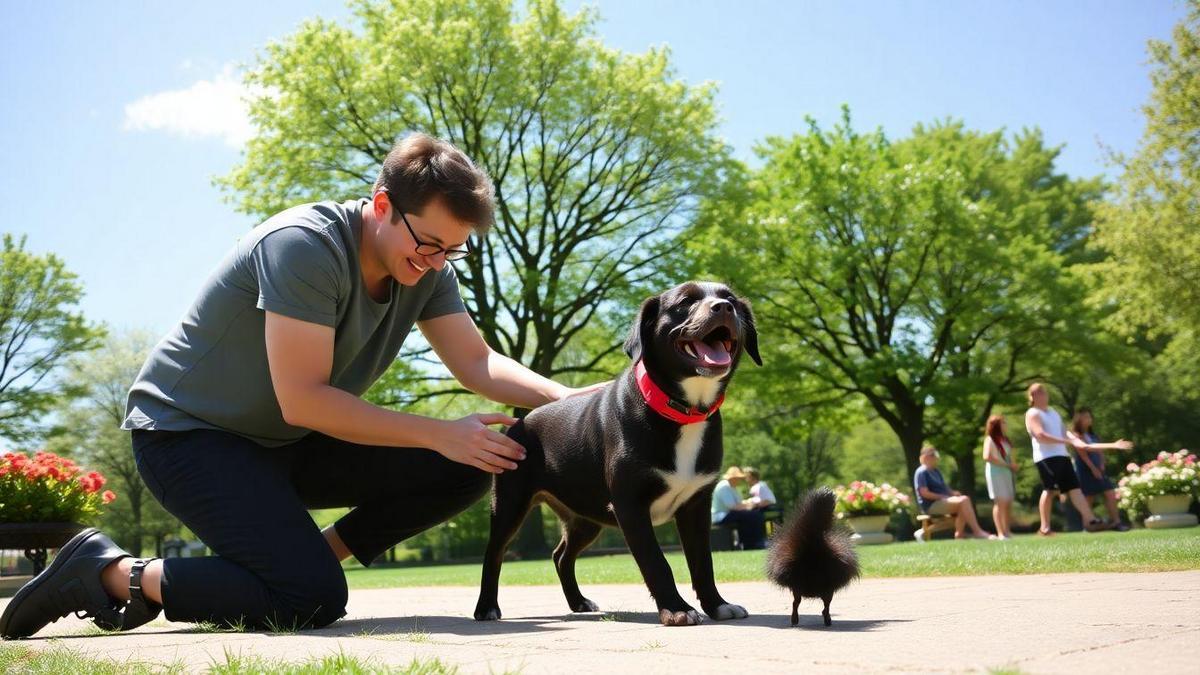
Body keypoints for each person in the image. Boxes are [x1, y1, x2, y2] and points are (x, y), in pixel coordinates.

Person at [0, 133, 607, 639]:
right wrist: (439, 432)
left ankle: (305, 559)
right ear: (381, 205)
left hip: (287, 442)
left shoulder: (425, 268)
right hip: (189, 438)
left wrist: (578, 403)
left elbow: (477, 365)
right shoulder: (303, 247)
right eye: (428, 244)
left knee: (477, 461)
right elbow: (306, 398)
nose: (436, 262)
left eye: (452, 251)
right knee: (308, 599)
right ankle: (113, 573)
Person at [1024, 383, 1124, 536]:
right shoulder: (1033, 413)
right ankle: (1044, 527)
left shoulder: (1052, 412)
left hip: (1062, 456)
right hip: (1046, 457)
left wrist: (1075, 441)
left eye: (1043, 392)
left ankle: (1091, 520)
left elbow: (1065, 432)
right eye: (1038, 393)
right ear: (1032, 397)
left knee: (1075, 489)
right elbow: (1040, 435)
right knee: (1051, 490)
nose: (1042, 395)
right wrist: (1068, 442)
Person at [1068, 407, 1134, 532]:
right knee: (1088, 497)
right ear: (1079, 420)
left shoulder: (1093, 435)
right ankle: (1088, 525)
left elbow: (1099, 452)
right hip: (1085, 469)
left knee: (1109, 493)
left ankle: (1116, 522)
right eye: (1085, 417)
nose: (1088, 420)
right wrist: (1093, 468)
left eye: (1089, 417)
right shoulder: (1076, 435)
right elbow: (1083, 452)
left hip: (1099, 468)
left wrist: (1101, 465)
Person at [913, 446, 995, 540]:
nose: (936, 458)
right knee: (964, 501)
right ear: (925, 457)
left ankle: (959, 535)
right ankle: (977, 532)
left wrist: (953, 493)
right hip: (930, 505)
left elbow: (944, 488)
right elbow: (924, 493)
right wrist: (943, 497)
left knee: (963, 500)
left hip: (941, 500)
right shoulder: (921, 472)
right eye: (933, 455)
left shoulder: (936, 471)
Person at [982, 415, 1019, 539]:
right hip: (995, 473)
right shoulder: (990, 439)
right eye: (1003, 423)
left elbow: (1008, 455)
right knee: (1000, 502)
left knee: (1008, 501)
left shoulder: (1005, 440)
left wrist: (1012, 465)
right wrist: (1007, 464)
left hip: (1006, 473)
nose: (1005, 425)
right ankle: (1001, 533)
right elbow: (987, 457)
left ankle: (1007, 531)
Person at [711, 467, 766, 550]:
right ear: (732, 478)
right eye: (738, 478)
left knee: (755, 515)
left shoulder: (733, 487)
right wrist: (749, 507)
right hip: (721, 516)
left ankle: (753, 543)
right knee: (750, 515)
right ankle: (752, 544)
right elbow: (732, 506)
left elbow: (739, 503)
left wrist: (750, 503)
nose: (739, 480)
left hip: (730, 514)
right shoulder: (724, 487)